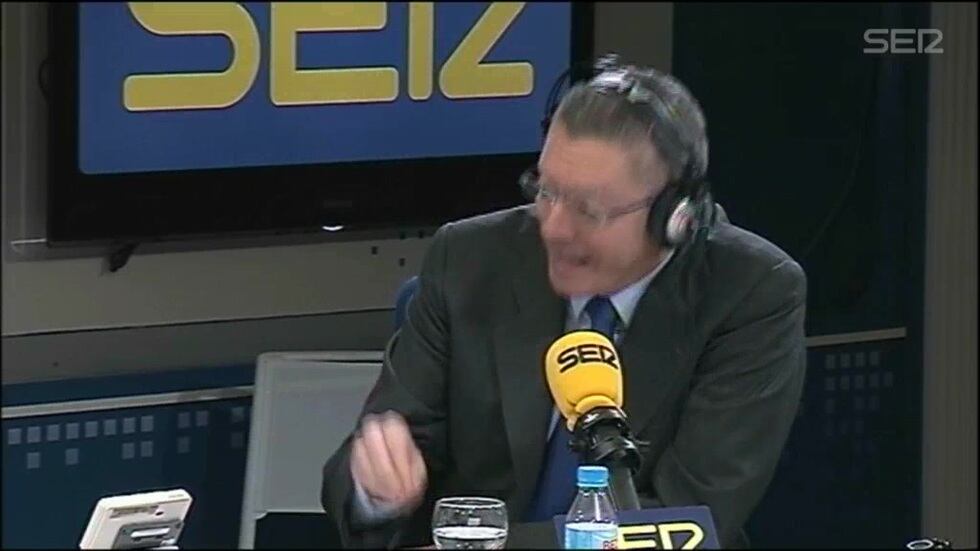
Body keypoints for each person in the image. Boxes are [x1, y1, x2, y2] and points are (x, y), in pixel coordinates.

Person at [321, 58, 807, 549]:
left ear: (673, 217)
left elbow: (689, 519)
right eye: (546, 191)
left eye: (588, 210)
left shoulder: (751, 292)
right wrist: (377, 490)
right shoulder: (469, 259)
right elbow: (363, 468)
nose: (553, 228)